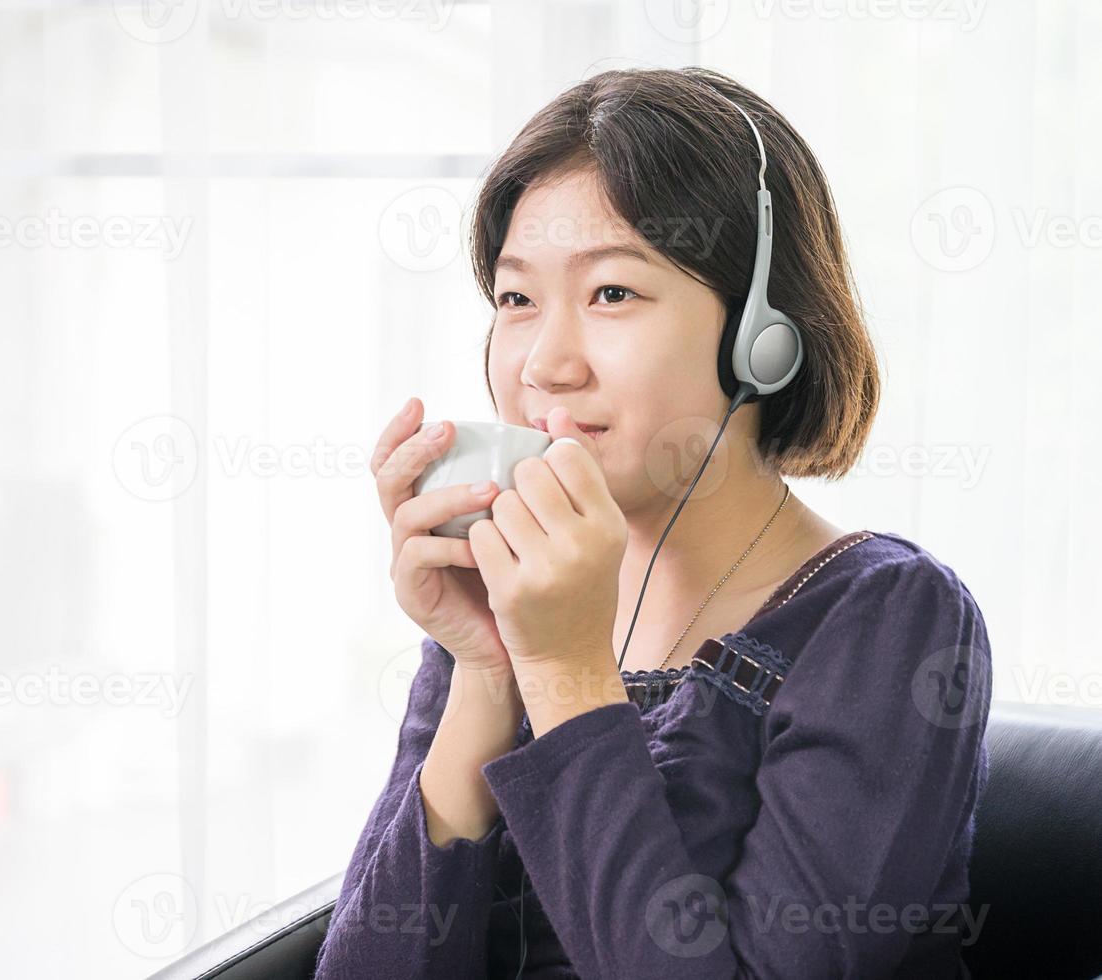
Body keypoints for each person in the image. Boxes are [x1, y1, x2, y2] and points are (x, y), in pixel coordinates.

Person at [313, 66, 992, 979]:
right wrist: (484, 668)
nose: (545, 365)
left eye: (611, 295)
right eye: (516, 299)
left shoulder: (891, 621)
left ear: (761, 335)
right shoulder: (511, 584)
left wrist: (560, 669)